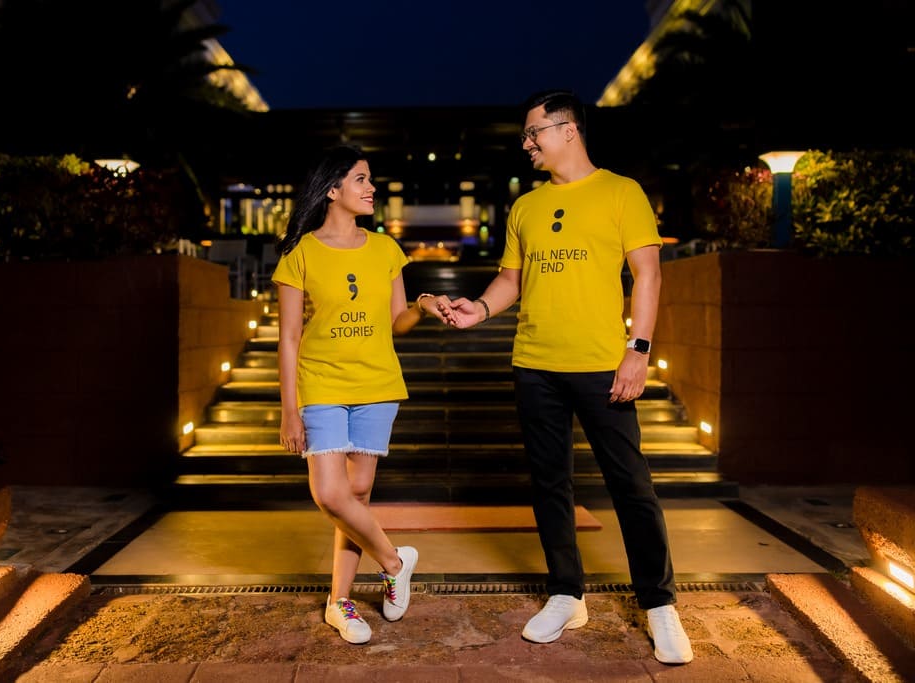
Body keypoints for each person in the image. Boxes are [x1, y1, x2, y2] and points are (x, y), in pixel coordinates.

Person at [438, 90, 693, 664]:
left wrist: (638, 350)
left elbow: (647, 275)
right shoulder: (526, 207)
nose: (527, 143)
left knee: (631, 485)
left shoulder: (621, 192)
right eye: (525, 135)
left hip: (603, 364)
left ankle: (659, 603)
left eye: (535, 133)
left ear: (568, 129)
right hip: (534, 364)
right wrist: (480, 308)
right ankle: (566, 594)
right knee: (550, 484)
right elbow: (512, 280)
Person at [271, 144, 438, 644]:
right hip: (321, 382)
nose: (371, 188)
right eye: (361, 179)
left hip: (377, 384)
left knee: (357, 495)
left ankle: (338, 602)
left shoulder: (386, 249)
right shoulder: (300, 254)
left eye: (370, 179)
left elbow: (397, 320)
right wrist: (289, 410)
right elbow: (289, 337)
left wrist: (422, 306)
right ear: (332, 189)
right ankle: (395, 561)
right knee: (330, 493)